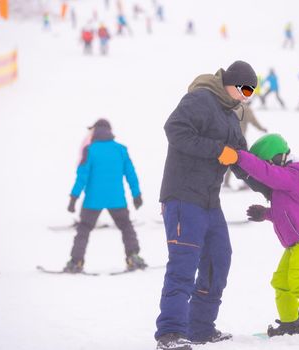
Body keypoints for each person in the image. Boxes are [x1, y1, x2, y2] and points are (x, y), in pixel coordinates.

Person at [155, 60, 258, 350]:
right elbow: (174, 129)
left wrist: (272, 182)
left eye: (251, 92)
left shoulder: (229, 114)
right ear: (231, 82)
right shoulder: (200, 99)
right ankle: (170, 333)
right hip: (183, 196)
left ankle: (200, 327)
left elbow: (240, 156)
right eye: (245, 89)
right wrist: (218, 151)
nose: (246, 96)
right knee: (183, 265)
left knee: (218, 259)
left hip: (210, 201)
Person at [235, 133, 299, 337]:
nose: (267, 168)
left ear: (276, 158)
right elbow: (287, 211)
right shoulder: (284, 182)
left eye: (267, 163)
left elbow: (268, 174)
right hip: (297, 242)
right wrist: (266, 214)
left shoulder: (294, 175)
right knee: (281, 282)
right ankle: (290, 324)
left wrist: (239, 157)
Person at [65, 119, 146, 273]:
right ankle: (133, 257)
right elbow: (131, 174)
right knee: (126, 227)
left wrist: (73, 198)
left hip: (93, 201)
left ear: (95, 132)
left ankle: (76, 261)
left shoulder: (89, 150)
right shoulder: (121, 149)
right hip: (117, 200)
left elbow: (82, 176)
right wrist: (137, 195)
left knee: (84, 229)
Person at [223, 103, 267, 189]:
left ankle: (226, 182)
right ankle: (247, 182)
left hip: (228, 138)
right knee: (245, 160)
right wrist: (262, 129)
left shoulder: (232, 107)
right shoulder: (246, 109)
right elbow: (254, 121)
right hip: (239, 139)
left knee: (231, 158)